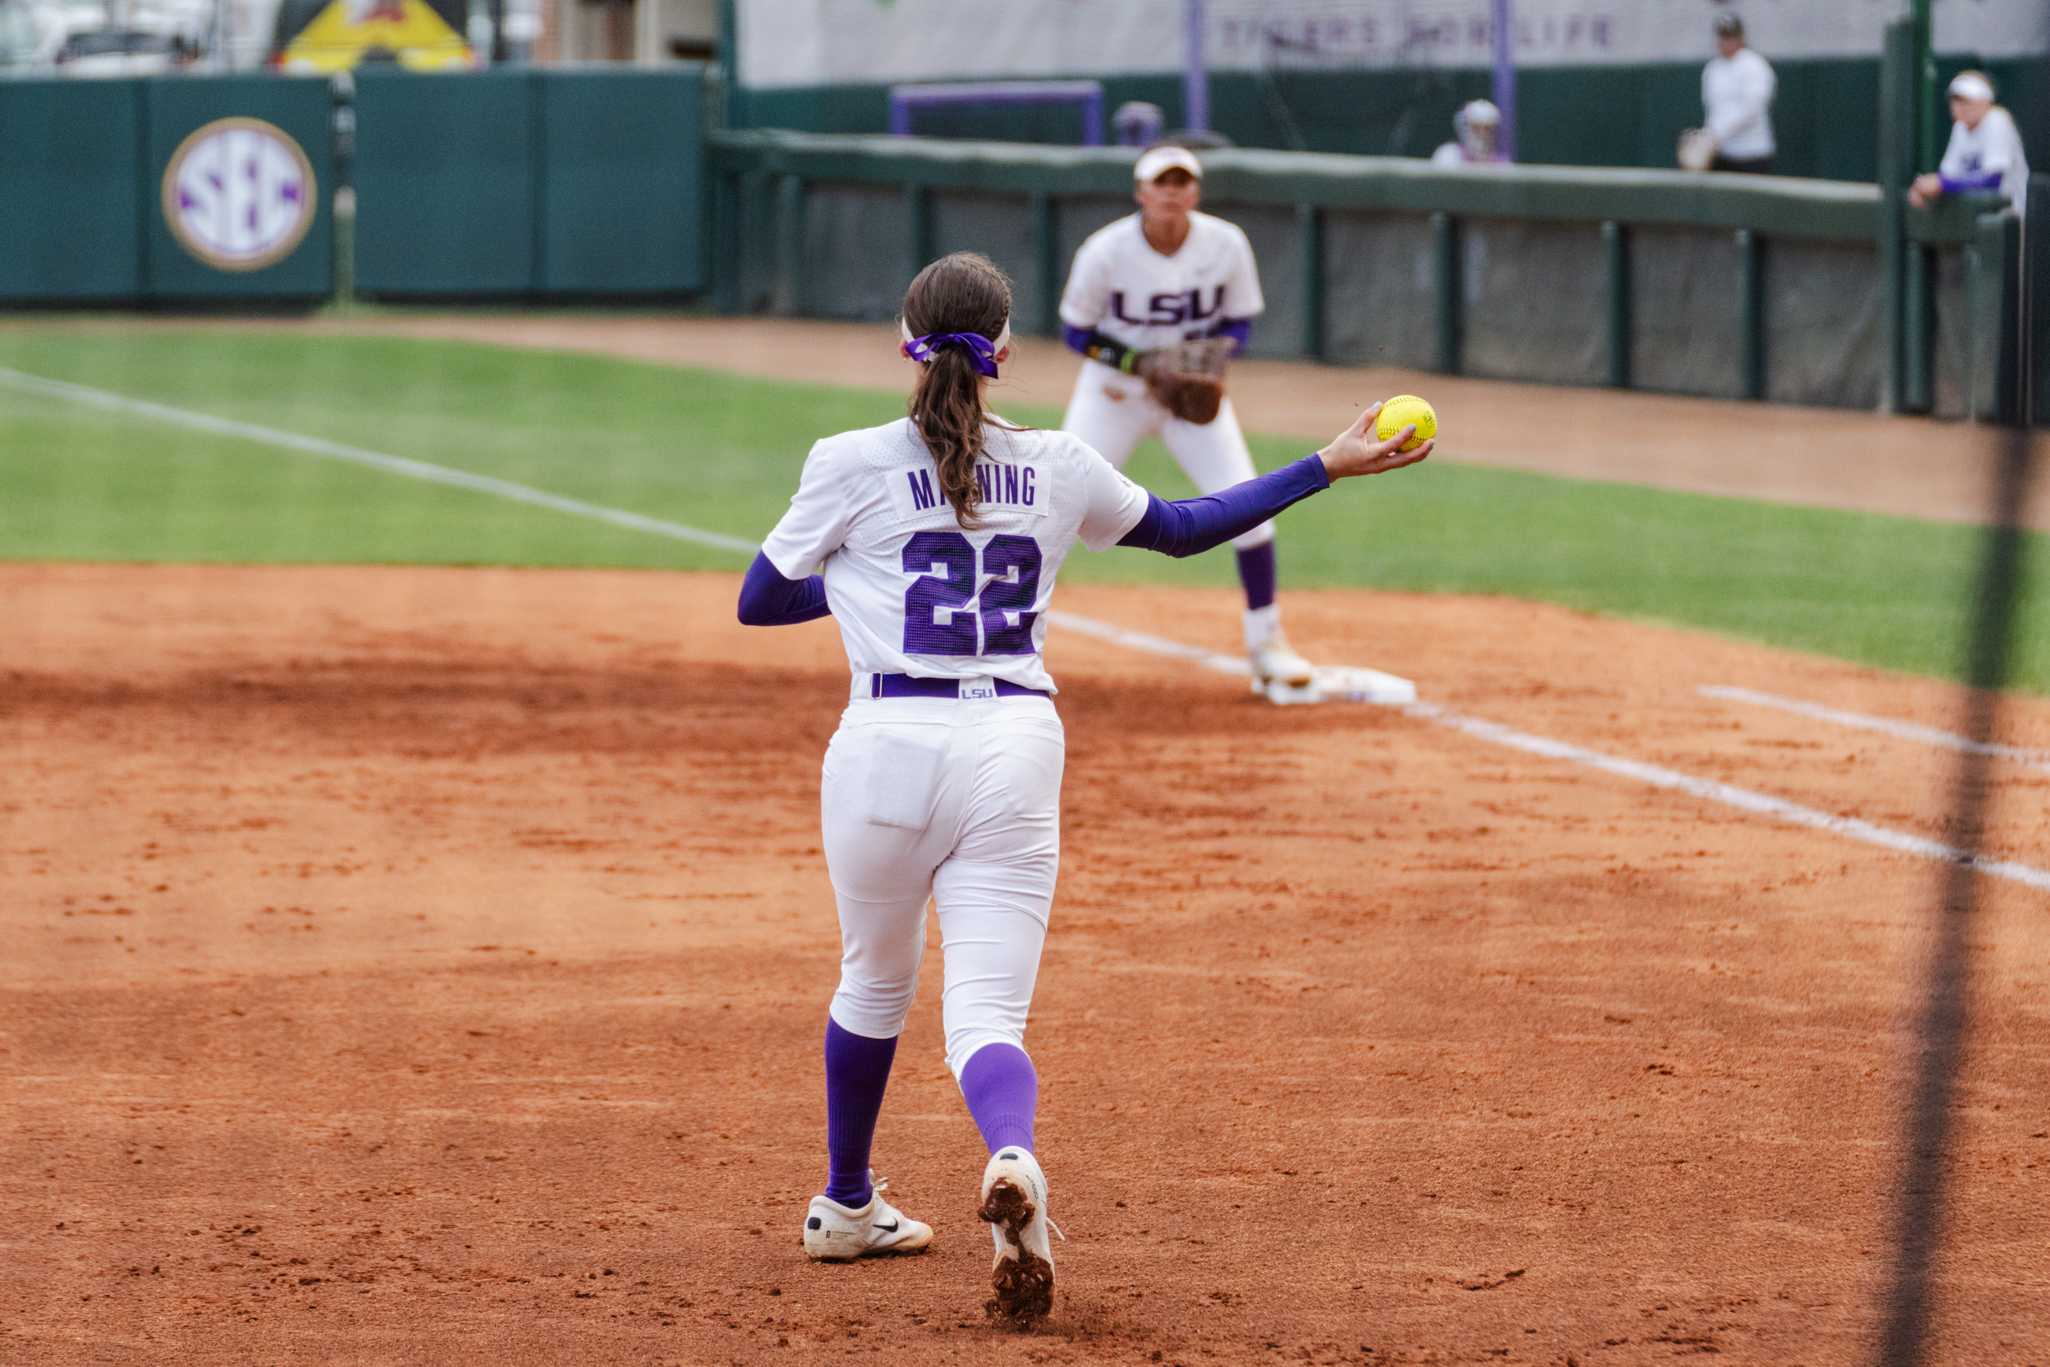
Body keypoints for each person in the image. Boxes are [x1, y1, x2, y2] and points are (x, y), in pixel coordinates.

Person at [736, 251, 1430, 1322]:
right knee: (985, 1009)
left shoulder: (848, 459)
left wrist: (876, 575)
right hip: (1014, 739)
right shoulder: (1059, 463)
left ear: (904, 342)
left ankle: (845, 1199)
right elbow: (1189, 527)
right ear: (1007, 351)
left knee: (872, 979)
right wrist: (1324, 464)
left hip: (883, 741)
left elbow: (759, 600)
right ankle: (1009, 1149)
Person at [1055, 144, 1316, 697]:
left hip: (1189, 401)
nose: (1172, 192)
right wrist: (1139, 363)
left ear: (1194, 192)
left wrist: (1215, 360)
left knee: (1251, 512)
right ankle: (1001, 636)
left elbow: (1240, 319)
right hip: (1113, 395)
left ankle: (1267, 644)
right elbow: (1076, 331)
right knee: (1052, 508)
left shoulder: (1225, 243)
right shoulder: (1104, 251)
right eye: (1161, 182)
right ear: (1141, 193)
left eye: (1182, 182)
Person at [1911, 70, 2031, 221]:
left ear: (1985, 101)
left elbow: (1992, 181)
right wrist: (1923, 187)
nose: (1960, 107)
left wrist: (1942, 184)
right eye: (1956, 101)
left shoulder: (1997, 120)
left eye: (1967, 101)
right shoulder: (1960, 128)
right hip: (1974, 220)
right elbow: (1948, 175)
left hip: (2012, 219)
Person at [1700, 13, 1776, 174]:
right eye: (1722, 36)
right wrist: (1706, 140)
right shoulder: (1712, 69)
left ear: (1740, 37)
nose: (1725, 42)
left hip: (1752, 154)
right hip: (1723, 154)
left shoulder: (1754, 65)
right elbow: (1713, 111)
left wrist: (1716, 134)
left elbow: (1752, 109)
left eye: (1730, 36)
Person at [1431, 99, 1508, 167]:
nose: (1482, 134)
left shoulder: (1502, 165)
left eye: (1488, 129)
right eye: (1476, 128)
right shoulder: (1448, 155)